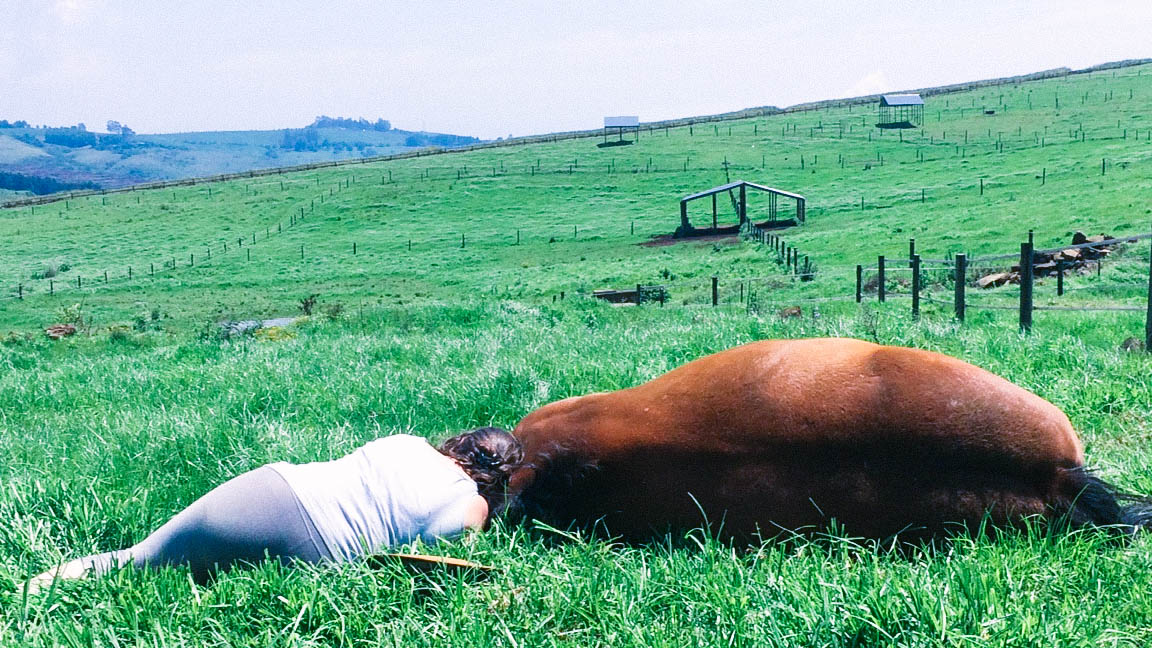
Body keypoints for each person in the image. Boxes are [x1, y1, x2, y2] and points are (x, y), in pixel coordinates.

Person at [29, 427, 522, 589]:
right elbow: (440, 570)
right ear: (499, 476)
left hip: (271, 486)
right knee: (192, 584)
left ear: (462, 440)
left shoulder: (409, 442)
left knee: (137, 558)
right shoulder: (471, 508)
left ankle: (38, 586)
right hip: (313, 545)